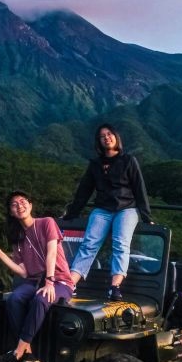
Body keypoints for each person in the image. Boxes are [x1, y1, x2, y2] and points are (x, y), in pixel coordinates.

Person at [0, 190, 74, 362]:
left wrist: (49, 281)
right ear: (11, 212)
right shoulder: (17, 238)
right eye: (14, 204)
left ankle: (16, 353)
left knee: (41, 299)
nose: (20, 205)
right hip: (33, 281)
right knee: (15, 298)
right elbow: (24, 272)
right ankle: (29, 354)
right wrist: (2, 255)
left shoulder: (47, 223)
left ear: (31, 206)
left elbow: (52, 254)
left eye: (23, 201)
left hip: (60, 281)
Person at [63, 123, 152, 301]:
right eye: (102, 136)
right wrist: (71, 214)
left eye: (110, 134)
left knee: (120, 243)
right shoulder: (95, 164)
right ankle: (70, 284)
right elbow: (84, 191)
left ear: (116, 137)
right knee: (89, 243)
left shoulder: (128, 160)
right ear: (99, 142)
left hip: (126, 208)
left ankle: (115, 286)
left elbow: (139, 188)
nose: (107, 137)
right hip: (103, 209)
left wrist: (146, 216)